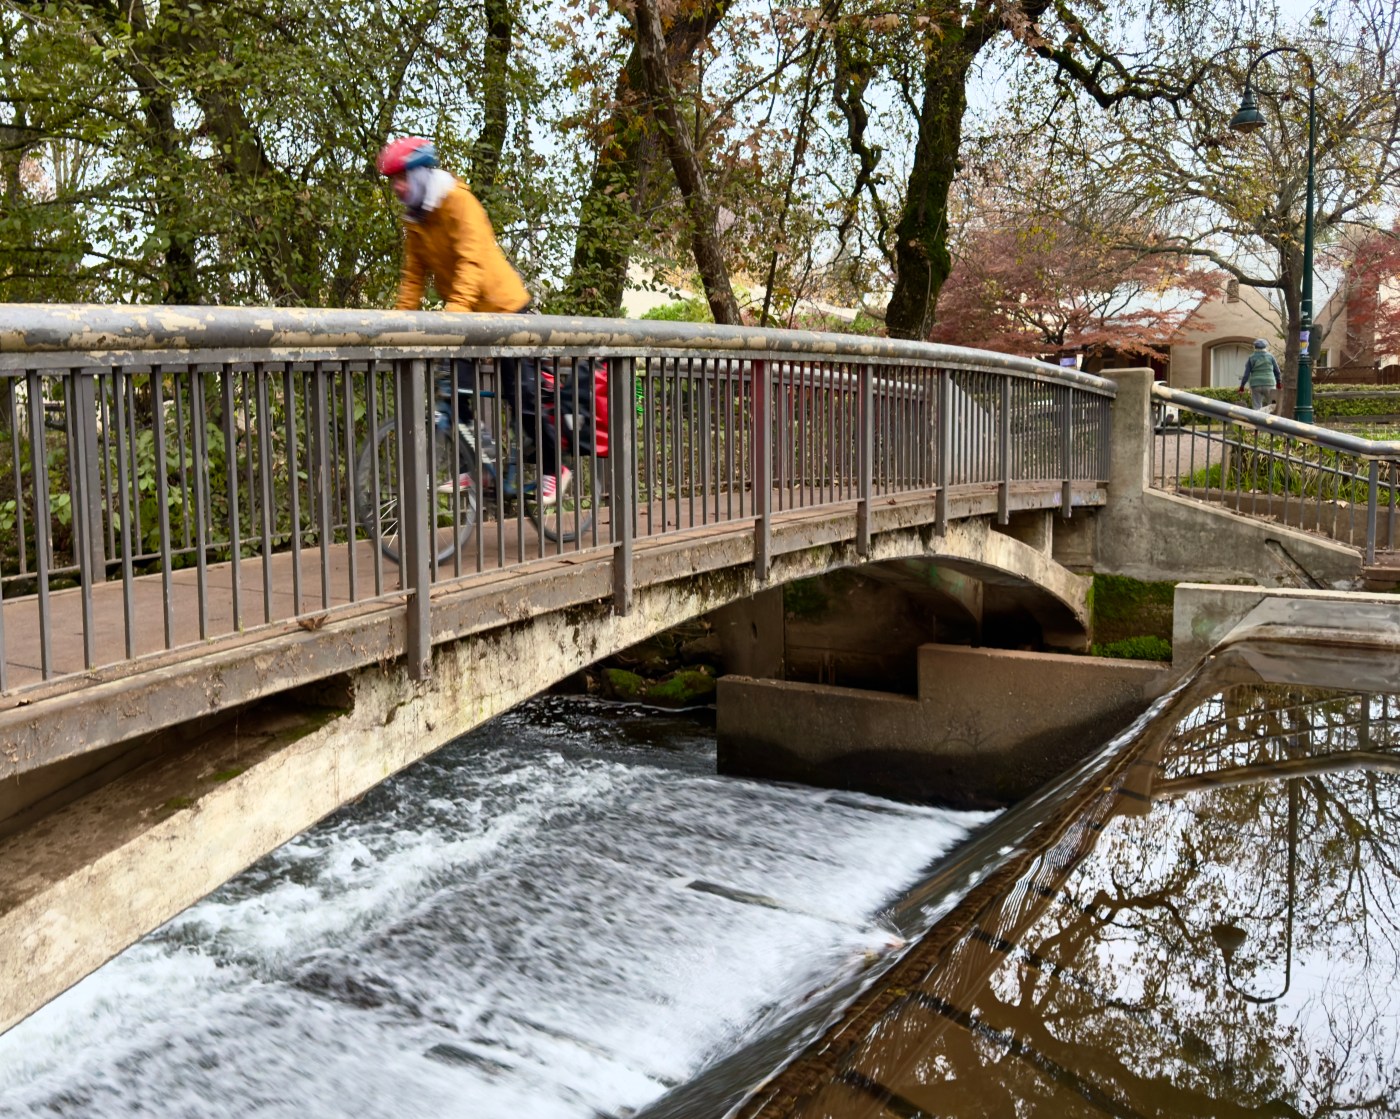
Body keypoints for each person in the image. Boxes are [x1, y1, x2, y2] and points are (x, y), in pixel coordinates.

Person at [377, 136, 567, 502]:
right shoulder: (416, 222)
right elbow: (413, 278)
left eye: (402, 177)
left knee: (521, 396)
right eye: (393, 180)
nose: (397, 187)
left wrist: (454, 315)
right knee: (455, 390)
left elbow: (471, 263)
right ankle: (477, 468)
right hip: (465, 318)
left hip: (505, 310)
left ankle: (554, 467)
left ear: (420, 173)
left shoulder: (459, 202)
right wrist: (398, 327)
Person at [1237, 338, 1282, 413]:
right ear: (1266, 347)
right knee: (1272, 406)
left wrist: (1242, 387)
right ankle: (1270, 423)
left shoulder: (1251, 357)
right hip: (1269, 383)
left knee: (1256, 407)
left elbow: (1246, 374)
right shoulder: (1270, 357)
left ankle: (1257, 422)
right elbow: (1277, 371)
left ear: (1255, 347)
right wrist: (1279, 383)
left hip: (1255, 384)